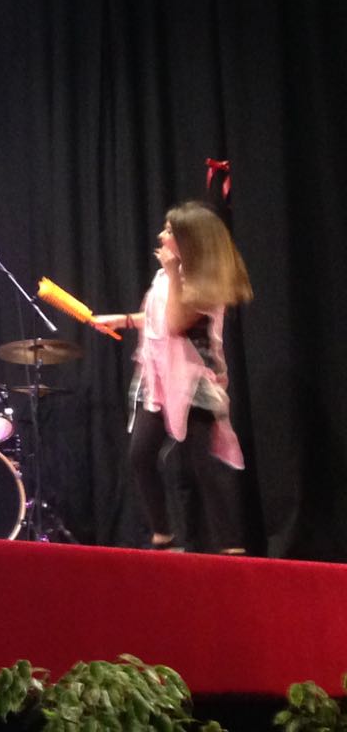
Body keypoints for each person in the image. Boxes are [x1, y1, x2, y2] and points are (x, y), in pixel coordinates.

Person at [94, 202, 252, 553]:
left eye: (168, 231)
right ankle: (162, 535)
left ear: (188, 240)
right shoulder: (166, 276)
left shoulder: (204, 281)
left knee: (202, 465)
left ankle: (230, 545)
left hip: (193, 382)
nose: (161, 236)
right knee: (140, 455)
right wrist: (123, 320)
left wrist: (172, 270)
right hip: (160, 379)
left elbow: (176, 323)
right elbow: (156, 317)